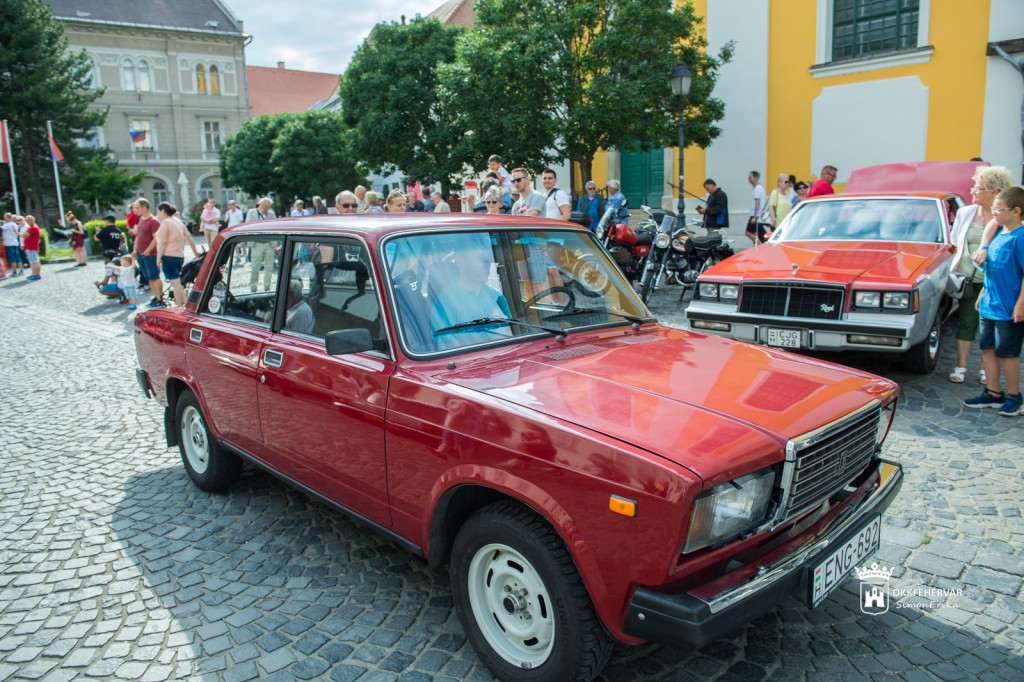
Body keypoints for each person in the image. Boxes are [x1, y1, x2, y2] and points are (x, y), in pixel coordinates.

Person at [948, 165, 1014, 384]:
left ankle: (986, 369)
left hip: (995, 283)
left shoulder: (1006, 217)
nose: (973, 191)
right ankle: (961, 366)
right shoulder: (965, 212)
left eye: (978, 188)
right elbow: (955, 241)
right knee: (967, 323)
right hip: (968, 279)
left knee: (992, 326)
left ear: (994, 192)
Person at [963, 186, 1024, 417]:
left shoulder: (1020, 238)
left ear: (1016, 211)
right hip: (989, 304)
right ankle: (993, 392)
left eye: (999, 209)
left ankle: (1014, 395)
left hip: (1008, 308)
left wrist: (1020, 304)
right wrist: (982, 294)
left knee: (1007, 354)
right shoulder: (998, 233)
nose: (995, 213)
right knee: (987, 350)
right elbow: (991, 271)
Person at [430, 237, 511, 349]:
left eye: (487, 259)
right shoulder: (444, 304)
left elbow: (511, 338)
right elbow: (446, 348)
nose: (487, 265)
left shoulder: (498, 298)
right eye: (479, 259)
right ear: (460, 261)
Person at [155, 201, 200, 307]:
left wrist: (158, 257)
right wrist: (195, 251)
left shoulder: (166, 222)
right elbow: (189, 237)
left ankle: (181, 306)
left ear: (163, 211)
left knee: (175, 283)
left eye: (158, 211)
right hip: (179, 255)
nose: (158, 214)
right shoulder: (178, 221)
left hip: (169, 255)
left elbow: (163, 242)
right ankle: (185, 304)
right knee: (177, 283)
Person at [133, 199, 163, 305]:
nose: (135, 210)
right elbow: (138, 236)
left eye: (137, 208)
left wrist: (148, 250)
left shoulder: (153, 221)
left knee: (154, 276)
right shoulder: (141, 219)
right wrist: (135, 249)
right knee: (149, 278)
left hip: (150, 254)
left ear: (144, 207)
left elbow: (156, 238)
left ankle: (160, 298)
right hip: (141, 254)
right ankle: (155, 297)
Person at [245, 197, 277, 292]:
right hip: (256, 243)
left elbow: (275, 227)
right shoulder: (252, 212)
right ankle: (253, 288)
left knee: (269, 267)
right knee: (255, 267)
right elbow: (247, 226)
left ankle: (267, 287)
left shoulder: (271, 214)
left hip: (269, 244)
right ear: (261, 205)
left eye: (268, 207)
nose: (267, 209)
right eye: (266, 207)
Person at [745, 171, 768, 245]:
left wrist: (754, 217)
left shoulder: (757, 188)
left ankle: (759, 244)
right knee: (758, 233)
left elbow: (757, 202)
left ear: (756, 178)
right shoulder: (758, 188)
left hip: (756, 215)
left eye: (750, 177)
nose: (749, 179)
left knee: (748, 232)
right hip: (759, 215)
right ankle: (761, 244)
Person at [20, 215, 42, 280]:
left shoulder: (33, 227)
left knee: (35, 261)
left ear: (31, 220)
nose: (26, 222)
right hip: (29, 246)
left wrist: (20, 233)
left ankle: (37, 274)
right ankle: (33, 274)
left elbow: (25, 235)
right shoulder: (31, 227)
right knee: (32, 262)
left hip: (32, 247)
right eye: (26, 220)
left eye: (27, 220)